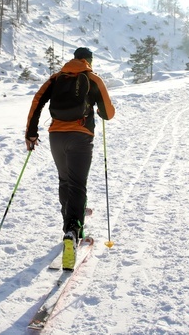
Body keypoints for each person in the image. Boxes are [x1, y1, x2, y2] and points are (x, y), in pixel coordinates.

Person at [25, 47, 115, 270]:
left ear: (74, 59)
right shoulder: (92, 78)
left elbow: (37, 101)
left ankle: (69, 221)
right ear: (89, 61)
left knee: (65, 180)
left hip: (56, 135)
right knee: (77, 184)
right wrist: (99, 109)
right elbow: (109, 113)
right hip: (81, 136)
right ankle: (73, 231)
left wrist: (31, 132)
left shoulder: (56, 78)